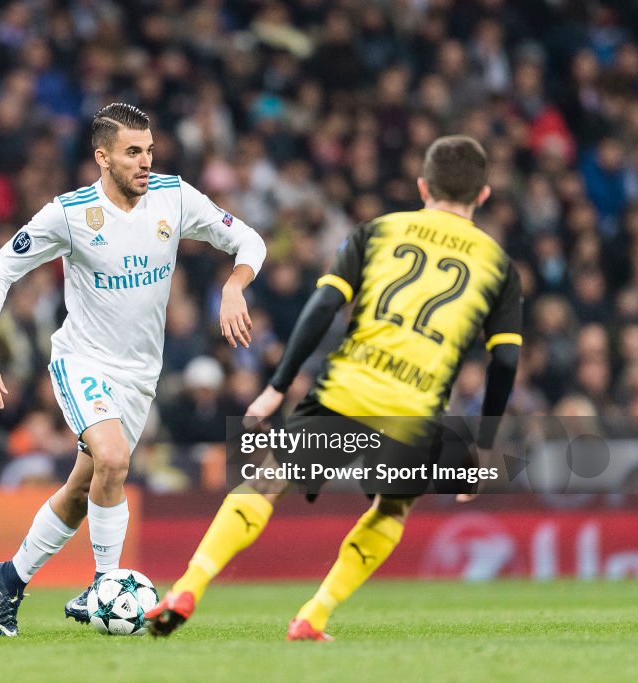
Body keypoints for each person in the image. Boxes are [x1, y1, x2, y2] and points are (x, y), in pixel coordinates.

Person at [146, 135, 523, 640]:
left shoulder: (378, 231)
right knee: (391, 506)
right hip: (413, 410)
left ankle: (188, 586)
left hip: (347, 389)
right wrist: (485, 443)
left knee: (268, 478)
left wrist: (278, 386)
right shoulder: (498, 266)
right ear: (483, 195)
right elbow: (505, 358)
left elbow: (323, 306)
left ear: (422, 185)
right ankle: (314, 614)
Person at [0, 103, 266, 637]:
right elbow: (1, 269)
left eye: (150, 150)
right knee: (112, 457)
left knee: (85, 488)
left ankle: (10, 578)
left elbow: (250, 241)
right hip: (82, 360)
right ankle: (107, 585)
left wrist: (233, 286)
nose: (145, 162)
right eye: (133, 152)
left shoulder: (174, 198)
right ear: (102, 157)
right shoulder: (70, 214)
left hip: (139, 377)